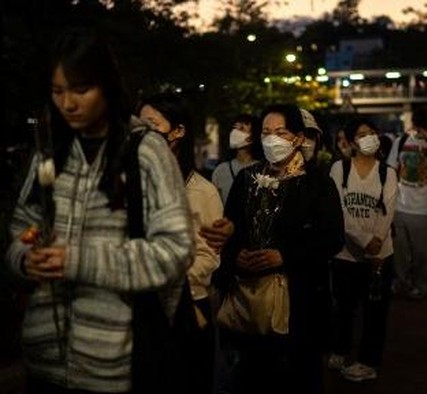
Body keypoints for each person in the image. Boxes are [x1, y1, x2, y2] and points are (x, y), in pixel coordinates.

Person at [5, 28, 193, 393]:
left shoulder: (145, 150)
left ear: (106, 86)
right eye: (58, 91)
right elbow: (20, 228)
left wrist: (77, 261)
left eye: (80, 90)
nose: (68, 104)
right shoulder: (50, 150)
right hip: (44, 361)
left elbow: (175, 250)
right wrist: (26, 259)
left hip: (117, 366)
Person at [218, 104, 344, 393]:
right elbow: (231, 227)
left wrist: (284, 256)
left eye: (280, 132)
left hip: (299, 302)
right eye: (265, 132)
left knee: (298, 376)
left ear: (298, 138)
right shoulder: (247, 179)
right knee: (252, 374)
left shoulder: (317, 183)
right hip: (251, 300)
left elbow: (332, 238)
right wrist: (236, 254)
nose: (271, 139)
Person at [138, 91, 222, 393]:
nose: (143, 135)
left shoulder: (202, 191)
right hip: (142, 308)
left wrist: (169, 280)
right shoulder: (131, 184)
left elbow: (209, 255)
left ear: (178, 131)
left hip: (188, 307)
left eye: (152, 125)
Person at [327, 117, 397, 382]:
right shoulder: (339, 169)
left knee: (375, 312)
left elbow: (387, 208)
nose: (369, 138)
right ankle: (341, 349)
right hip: (346, 254)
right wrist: (364, 240)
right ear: (352, 141)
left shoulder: (387, 172)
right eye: (362, 134)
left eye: (372, 133)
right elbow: (339, 211)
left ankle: (369, 361)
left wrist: (376, 241)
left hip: (379, 256)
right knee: (343, 307)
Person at [387, 107, 427, 300]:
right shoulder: (401, 141)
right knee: (399, 252)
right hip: (399, 206)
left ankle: (421, 285)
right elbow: (391, 169)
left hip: (424, 208)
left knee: (422, 253)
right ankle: (401, 282)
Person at [210, 114, 261, 204]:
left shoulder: (263, 170)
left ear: (252, 137)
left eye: (241, 129)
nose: (234, 132)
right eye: (234, 128)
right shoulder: (220, 170)